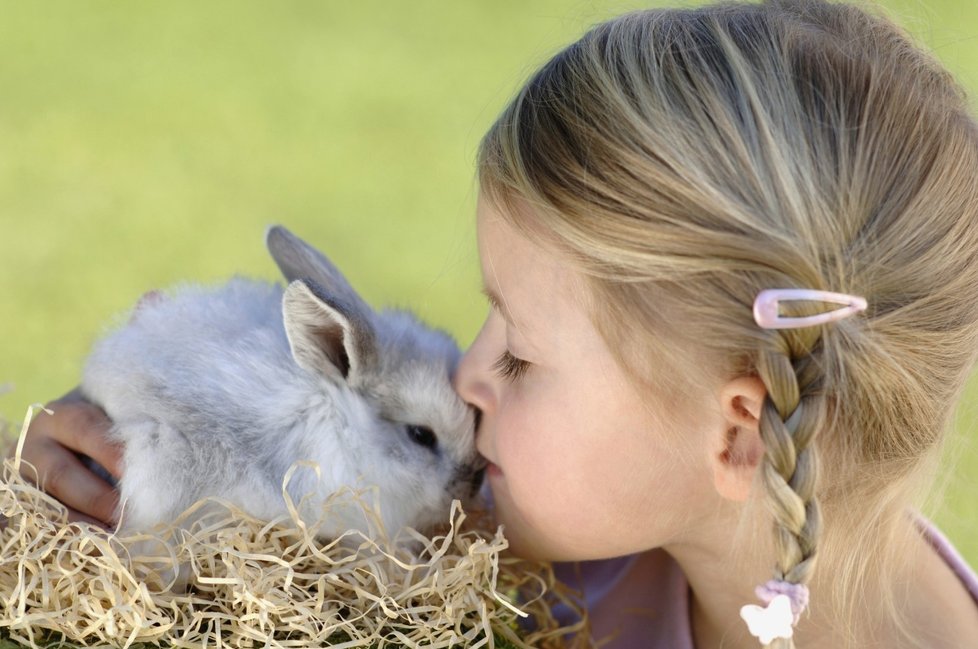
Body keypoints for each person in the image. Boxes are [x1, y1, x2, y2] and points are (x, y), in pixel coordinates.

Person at [16, 0, 978, 647]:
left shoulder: (555, 591)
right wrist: (129, 455)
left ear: (737, 430)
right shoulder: (517, 558)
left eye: (518, 353)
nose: (470, 377)